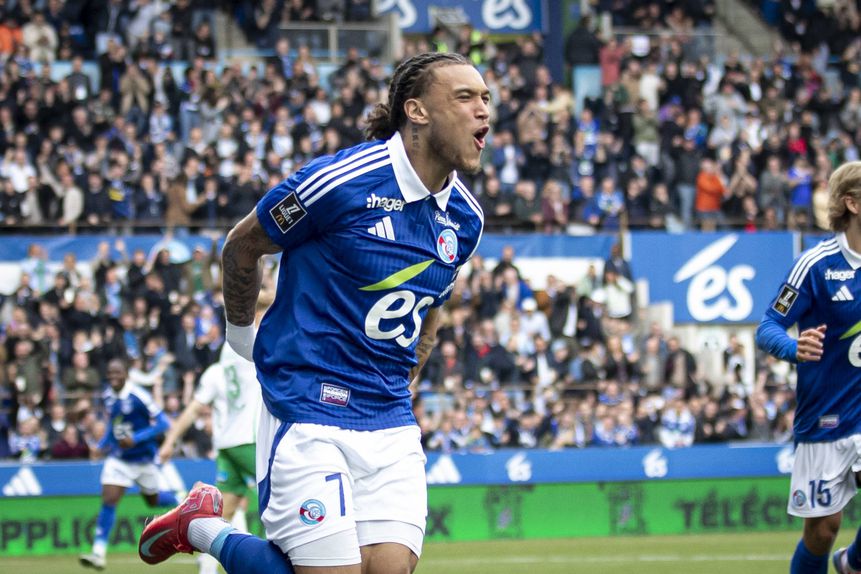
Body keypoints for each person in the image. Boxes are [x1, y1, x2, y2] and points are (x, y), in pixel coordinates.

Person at [139, 51, 488, 574]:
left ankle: (197, 524)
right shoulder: (341, 181)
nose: (483, 110)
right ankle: (202, 531)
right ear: (416, 111)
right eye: (465, 97)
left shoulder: (466, 218)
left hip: (388, 417)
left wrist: (410, 371)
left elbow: (433, 301)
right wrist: (240, 338)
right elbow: (242, 246)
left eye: (486, 98)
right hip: (308, 402)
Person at [756, 161, 861, 574]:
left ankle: (854, 561)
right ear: (852, 202)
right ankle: (847, 561)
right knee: (822, 530)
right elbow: (768, 326)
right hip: (826, 414)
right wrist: (793, 346)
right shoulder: (815, 264)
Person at [157, 293, 270, 574]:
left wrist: (170, 441)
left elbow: (192, 410)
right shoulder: (255, 348)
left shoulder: (217, 369)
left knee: (223, 514)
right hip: (250, 440)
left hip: (226, 445)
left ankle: (206, 571)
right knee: (280, 503)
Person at [79, 358, 178, 570]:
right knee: (109, 499)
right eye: (110, 373)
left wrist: (137, 438)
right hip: (119, 459)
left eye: (117, 373)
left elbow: (162, 423)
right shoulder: (107, 395)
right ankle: (98, 552)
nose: (113, 377)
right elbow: (113, 426)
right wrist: (101, 445)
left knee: (153, 501)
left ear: (126, 374)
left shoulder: (139, 395)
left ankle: (181, 499)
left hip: (143, 459)